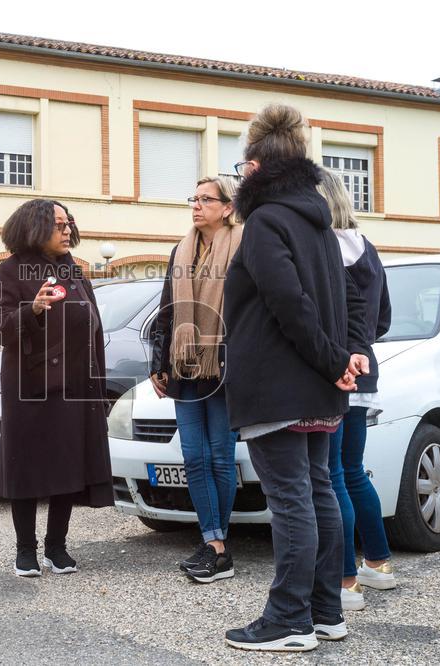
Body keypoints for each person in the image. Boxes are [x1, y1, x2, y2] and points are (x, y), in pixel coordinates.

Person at [221, 104, 370, 652]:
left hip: (278, 381)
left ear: (256, 168)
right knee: (316, 491)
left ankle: (288, 619)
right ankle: (325, 611)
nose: (238, 178)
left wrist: (336, 359)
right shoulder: (320, 225)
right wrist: (344, 356)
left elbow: (288, 303)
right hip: (314, 383)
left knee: (291, 499)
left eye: (241, 168)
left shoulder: (265, 221)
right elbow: (350, 298)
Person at [0, 199, 113, 577]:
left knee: (67, 465)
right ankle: (26, 550)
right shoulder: (12, 270)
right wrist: (33, 310)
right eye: (58, 224)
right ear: (35, 227)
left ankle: (57, 547)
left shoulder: (74, 269)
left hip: (75, 385)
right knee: (26, 465)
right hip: (31, 386)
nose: (67, 229)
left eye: (68, 222)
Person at [149, 175, 243, 584]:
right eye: (194, 198)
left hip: (224, 365)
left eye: (207, 199)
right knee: (194, 457)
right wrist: (158, 361)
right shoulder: (181, 249)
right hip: (186, 366)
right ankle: (216, 543)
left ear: (227, 207)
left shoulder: (242, 246)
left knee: (221, 456)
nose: (197, 205)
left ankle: (215, 547)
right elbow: (167, 308)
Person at [317, 169, 395, 611]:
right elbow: (383, 317)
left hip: (334, 371)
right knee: (352, 470)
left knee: (331, 478)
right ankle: (379, 563)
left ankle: (346, 583)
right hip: (366, 373)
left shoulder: (325, 249)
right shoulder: (367, 247)